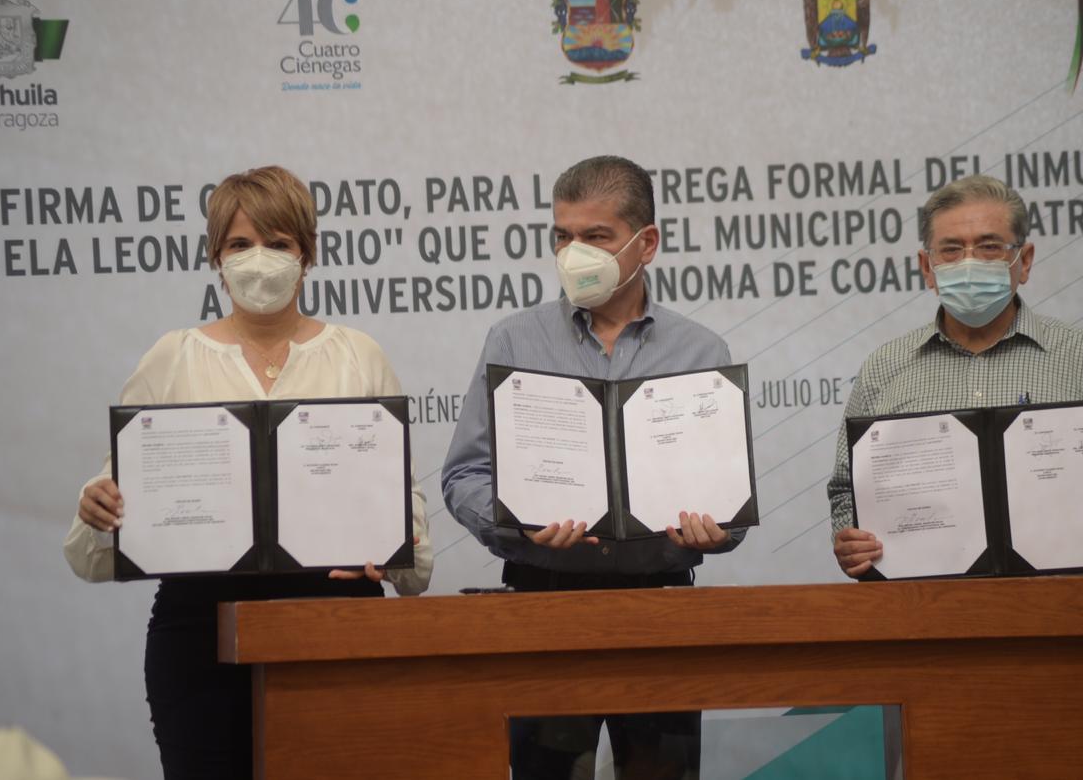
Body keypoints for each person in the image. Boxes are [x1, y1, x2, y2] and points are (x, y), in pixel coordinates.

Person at [64, 165, 433, 780]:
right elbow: (93, 547)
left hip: (338, 622)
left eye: (278, 243)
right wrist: (98, 507)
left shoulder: (358, 355)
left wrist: (391, 547)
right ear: (216, 256)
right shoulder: (172, 358)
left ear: (307, 254)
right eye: (240, 244)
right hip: (201, 636)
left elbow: (411, 542)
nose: (258, 260)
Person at [443, 155, 744, 779]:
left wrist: (717, 529)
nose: (573, 253)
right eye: (563, 236)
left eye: (596, 236)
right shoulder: (513, 341)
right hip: (543, 605)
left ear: (646, 243)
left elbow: (731, 507)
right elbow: (464, 475)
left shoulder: (701, 351)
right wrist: (514, 521)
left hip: (661, 609)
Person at [829, 174, 1083, 578]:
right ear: (927, 267)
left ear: (1024, 261)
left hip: (1062, 607)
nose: (970, 263)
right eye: (951, 250)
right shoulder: (884, 369)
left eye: (990, 247)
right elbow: (846, 494)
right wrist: (851, 542)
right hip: (921, 608)